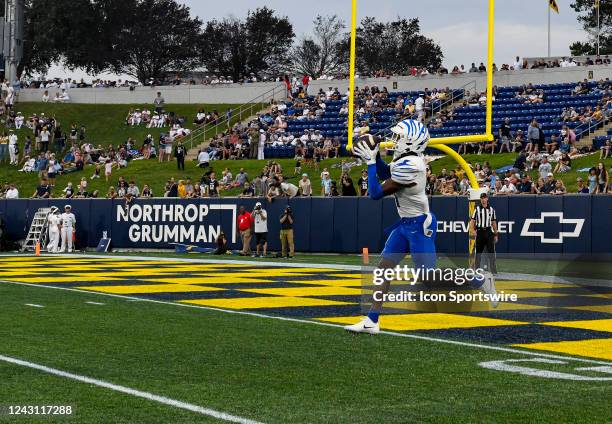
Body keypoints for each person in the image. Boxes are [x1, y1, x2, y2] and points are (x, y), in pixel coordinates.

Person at [345, 122, 496, 335]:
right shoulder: (406, 160)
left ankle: (479, 279)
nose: (394, 141)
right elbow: (388, 172)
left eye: (399, 137)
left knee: (428, 277)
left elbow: (375, 193)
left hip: (418, 225)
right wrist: (376, 158)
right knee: (383, 269)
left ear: (410, 141)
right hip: (405, 224)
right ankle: (372, 320)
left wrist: (370, 161)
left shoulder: (412, 165)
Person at [470, 193, 498, 274]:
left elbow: (494, 222)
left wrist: (496, 234)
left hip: (489, 232)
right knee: (478, 252)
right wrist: (473, 230)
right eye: (481, 198)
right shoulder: (477, 209)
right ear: (480, 199)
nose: (483, 199)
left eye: (484, 198)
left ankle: (493, 270)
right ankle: (477, 269)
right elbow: (472, 221)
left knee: (491, 251)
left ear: (487, 199)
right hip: (480, 231)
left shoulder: (491, 209)